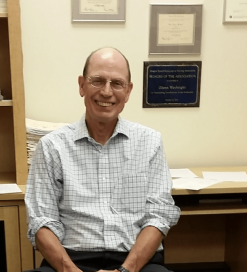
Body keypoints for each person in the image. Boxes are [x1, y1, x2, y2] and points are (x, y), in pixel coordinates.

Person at [24, 47, 180, 272]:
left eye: (117, 83)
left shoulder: (150, 142)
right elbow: (41, 222)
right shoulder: (52, 146)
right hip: (71, 260)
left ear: (128, 91)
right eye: (97, 81)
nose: (107, 92)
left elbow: (158, 217)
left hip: (135, 261)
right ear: (81, 85)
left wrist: (126, 270)